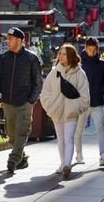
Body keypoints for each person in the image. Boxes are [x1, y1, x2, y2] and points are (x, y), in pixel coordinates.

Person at [0, 27, 42, 174]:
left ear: (19, 40)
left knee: (22, 132)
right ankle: (22, 159)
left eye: (10, 39)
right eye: (7, 38)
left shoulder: (32, 58)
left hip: (25, 102)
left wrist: (31, 100)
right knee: (12, 135)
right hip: (8, 102)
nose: (7, 41)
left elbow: (38, 82)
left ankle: (12, 160)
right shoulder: (4, 58)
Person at [40, 44, 90, 178]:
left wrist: (75, 107)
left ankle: (67, 164)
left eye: (64, 54)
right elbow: (45, 92)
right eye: (60, 54)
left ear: (71, 56)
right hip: (57, 112)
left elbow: (85, 97)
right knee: (61, 140)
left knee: (68, 138)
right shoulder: (54, 72)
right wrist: (51, 105)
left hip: (71, 113)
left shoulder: (80, 73)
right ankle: (63, 163)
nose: (61, 56)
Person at [75, 37, 104, 167]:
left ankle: (103, 155)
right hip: (82, 102)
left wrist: (101, 91)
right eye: (89, 48)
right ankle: (78, 154)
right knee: (78, 130)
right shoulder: (78, 64)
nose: (91, 51)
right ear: (85, 48)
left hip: (97, 102)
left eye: (93, 49)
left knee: (101, 128)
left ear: (97, 49)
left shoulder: (102, 64)